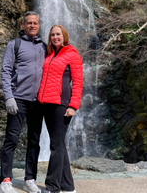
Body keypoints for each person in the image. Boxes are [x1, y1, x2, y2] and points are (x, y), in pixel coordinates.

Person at [0, 11, 46, 193]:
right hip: (18, 100)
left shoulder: (44, 46)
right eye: (29, 23)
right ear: (23, 25)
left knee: (34, 141)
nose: (32, 26)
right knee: (11, 139)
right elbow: (6, 71)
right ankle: (5, 180)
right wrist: (9, 97)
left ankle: (29, 179)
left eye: (35, 23)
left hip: (38, 102)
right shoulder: (14, 44)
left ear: (38, 25)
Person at [38, 24, 84, 193]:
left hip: (62, 105)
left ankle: (52, 187)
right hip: (47, 104)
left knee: (56, 146)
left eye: (58, 34)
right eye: (52, 35)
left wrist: (73, 106)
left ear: (64, 36)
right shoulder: (49, 54)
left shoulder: (72, 55)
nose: (55, 37)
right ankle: (68, 186)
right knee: (59, 144)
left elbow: (78, 82)